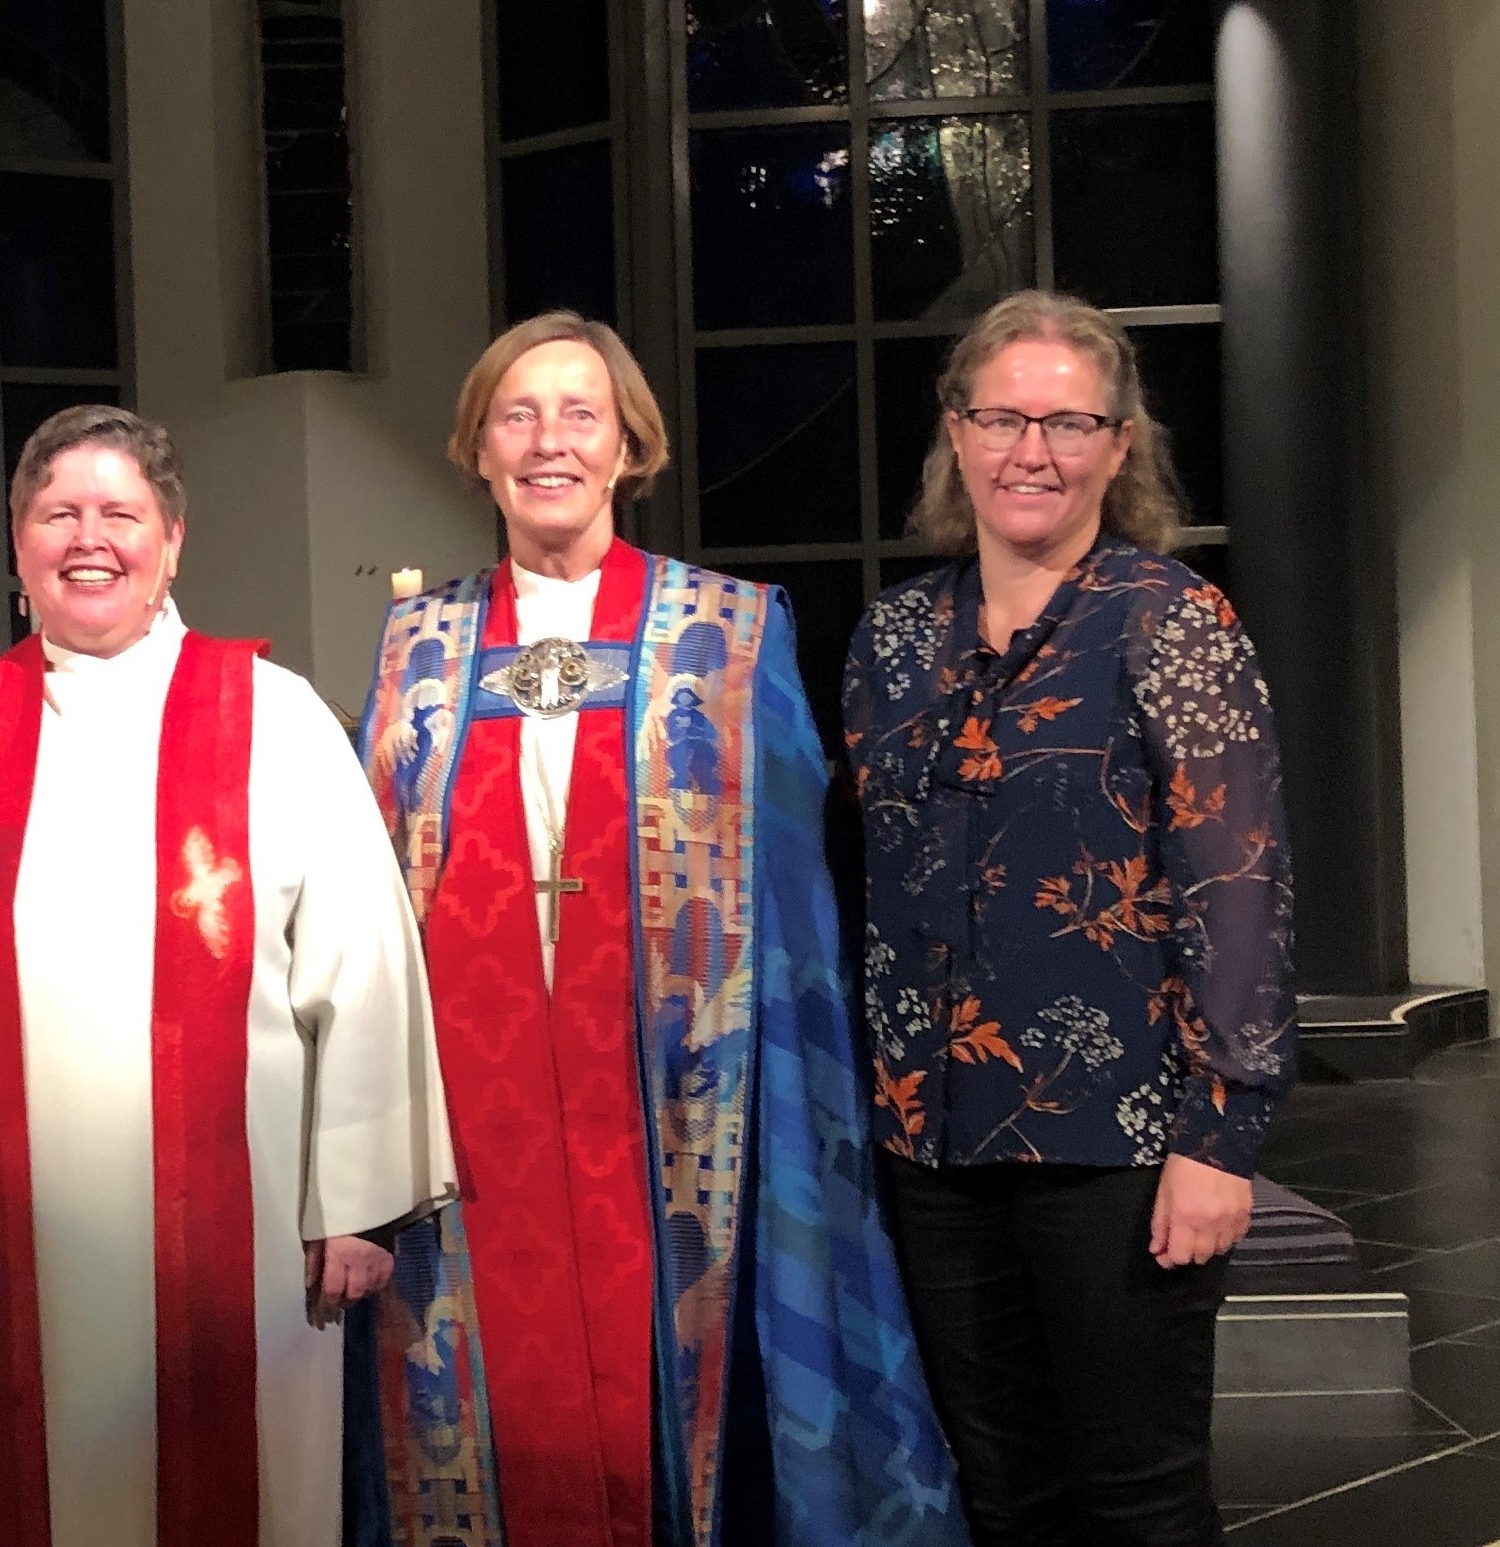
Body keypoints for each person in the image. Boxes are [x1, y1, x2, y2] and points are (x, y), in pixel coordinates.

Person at [0, 405, 455, 1547]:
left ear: (172, 541)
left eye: (119, 513)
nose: (88, 539)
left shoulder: (271, 719)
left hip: (236, 1245)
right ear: (16, 543)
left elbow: (366, 967)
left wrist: (360, 1198)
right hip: (1, 1236)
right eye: (57, 513)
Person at [346, 311, 967, 1547]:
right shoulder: (418, 648)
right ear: (476, 448)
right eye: (515, 416)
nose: (547, 443)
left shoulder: (729, 634)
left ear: (630, 445)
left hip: (681, 1108)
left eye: (580, 413)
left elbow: (788, 911)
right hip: (475, 1123)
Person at [843, 289, 1295, 1546]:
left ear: (1116, 443)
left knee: (1138, 1495)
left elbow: (1239, 888)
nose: (1027, 450)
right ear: (954, 431)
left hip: (1120, 1140)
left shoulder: (1169, 623)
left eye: (1064, 422)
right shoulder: (891, 640)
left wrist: (1223, 1135)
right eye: (999, 417)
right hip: (931, 1144)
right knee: (1002, 1490)